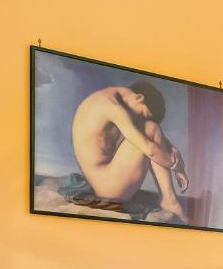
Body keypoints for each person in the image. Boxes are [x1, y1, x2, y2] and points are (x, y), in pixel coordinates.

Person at [69, 80, 191, 224]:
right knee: (151, 128)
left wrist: (174, 152)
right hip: (109, 187)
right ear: (139, 97)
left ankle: (169, 200)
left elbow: (155, 139)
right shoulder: (112, 108)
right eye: (143, 114)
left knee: (150, 128)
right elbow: (150, 149)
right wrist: (176, 167)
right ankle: (169, 200)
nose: (141, 119)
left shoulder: (109, 99)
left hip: (103, 182)